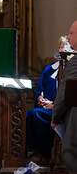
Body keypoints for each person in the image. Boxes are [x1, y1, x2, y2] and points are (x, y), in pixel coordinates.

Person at [26, 36, 70, 164]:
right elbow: (40, 88)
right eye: (61, 46)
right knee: (30, 115)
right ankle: (36, 151)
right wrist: (40, 98)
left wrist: (54, 105)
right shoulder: (51, 67)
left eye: (65, 46)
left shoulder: (71, 69)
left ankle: (44, 153)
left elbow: (67, 94)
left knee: (36, 115)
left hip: (60, 109)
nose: (62, 49)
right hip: (46, 106)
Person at [51, 20, 77, 174]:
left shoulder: (75, 63)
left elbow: (64, 93)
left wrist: (55, 117)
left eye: (71, 33)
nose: (67, 37)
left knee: (70, 154)